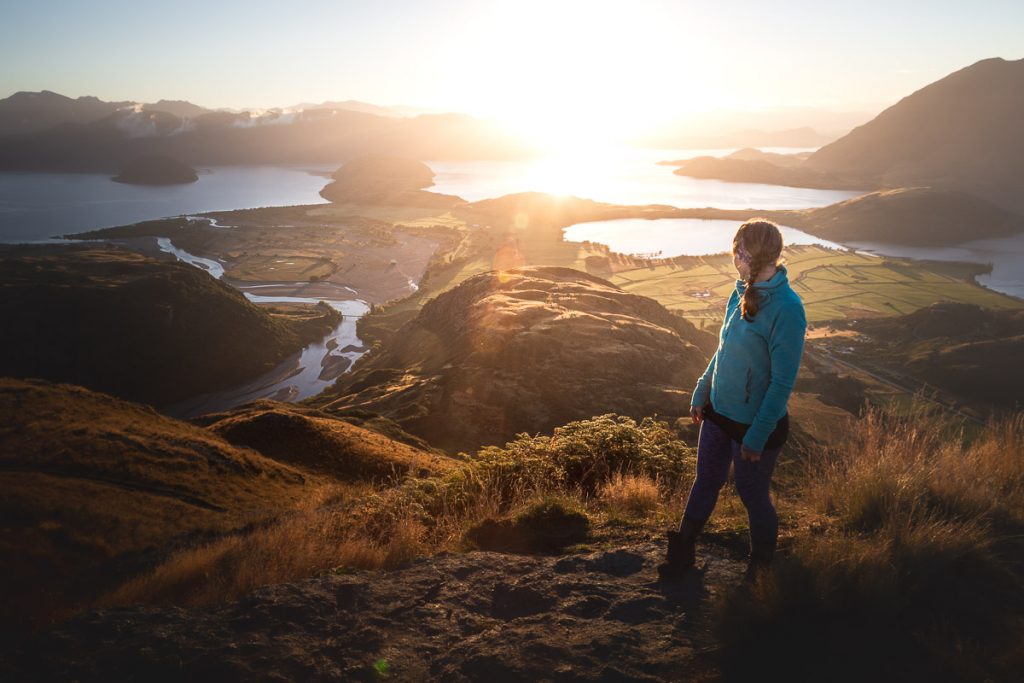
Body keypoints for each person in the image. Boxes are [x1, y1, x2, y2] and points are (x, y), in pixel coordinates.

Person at [657, 218, 807, 584]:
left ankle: (761, 570)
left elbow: (782, 382)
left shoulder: (787, 308)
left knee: (752, 495)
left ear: (745, 253)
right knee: (705, 480)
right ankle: (682, 554)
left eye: (735, 252)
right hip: (719, 413)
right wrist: (702, 388)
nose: (733, 259)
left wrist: (756, 436)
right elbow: (723, 350)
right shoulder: (739, 291)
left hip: (756, 425)